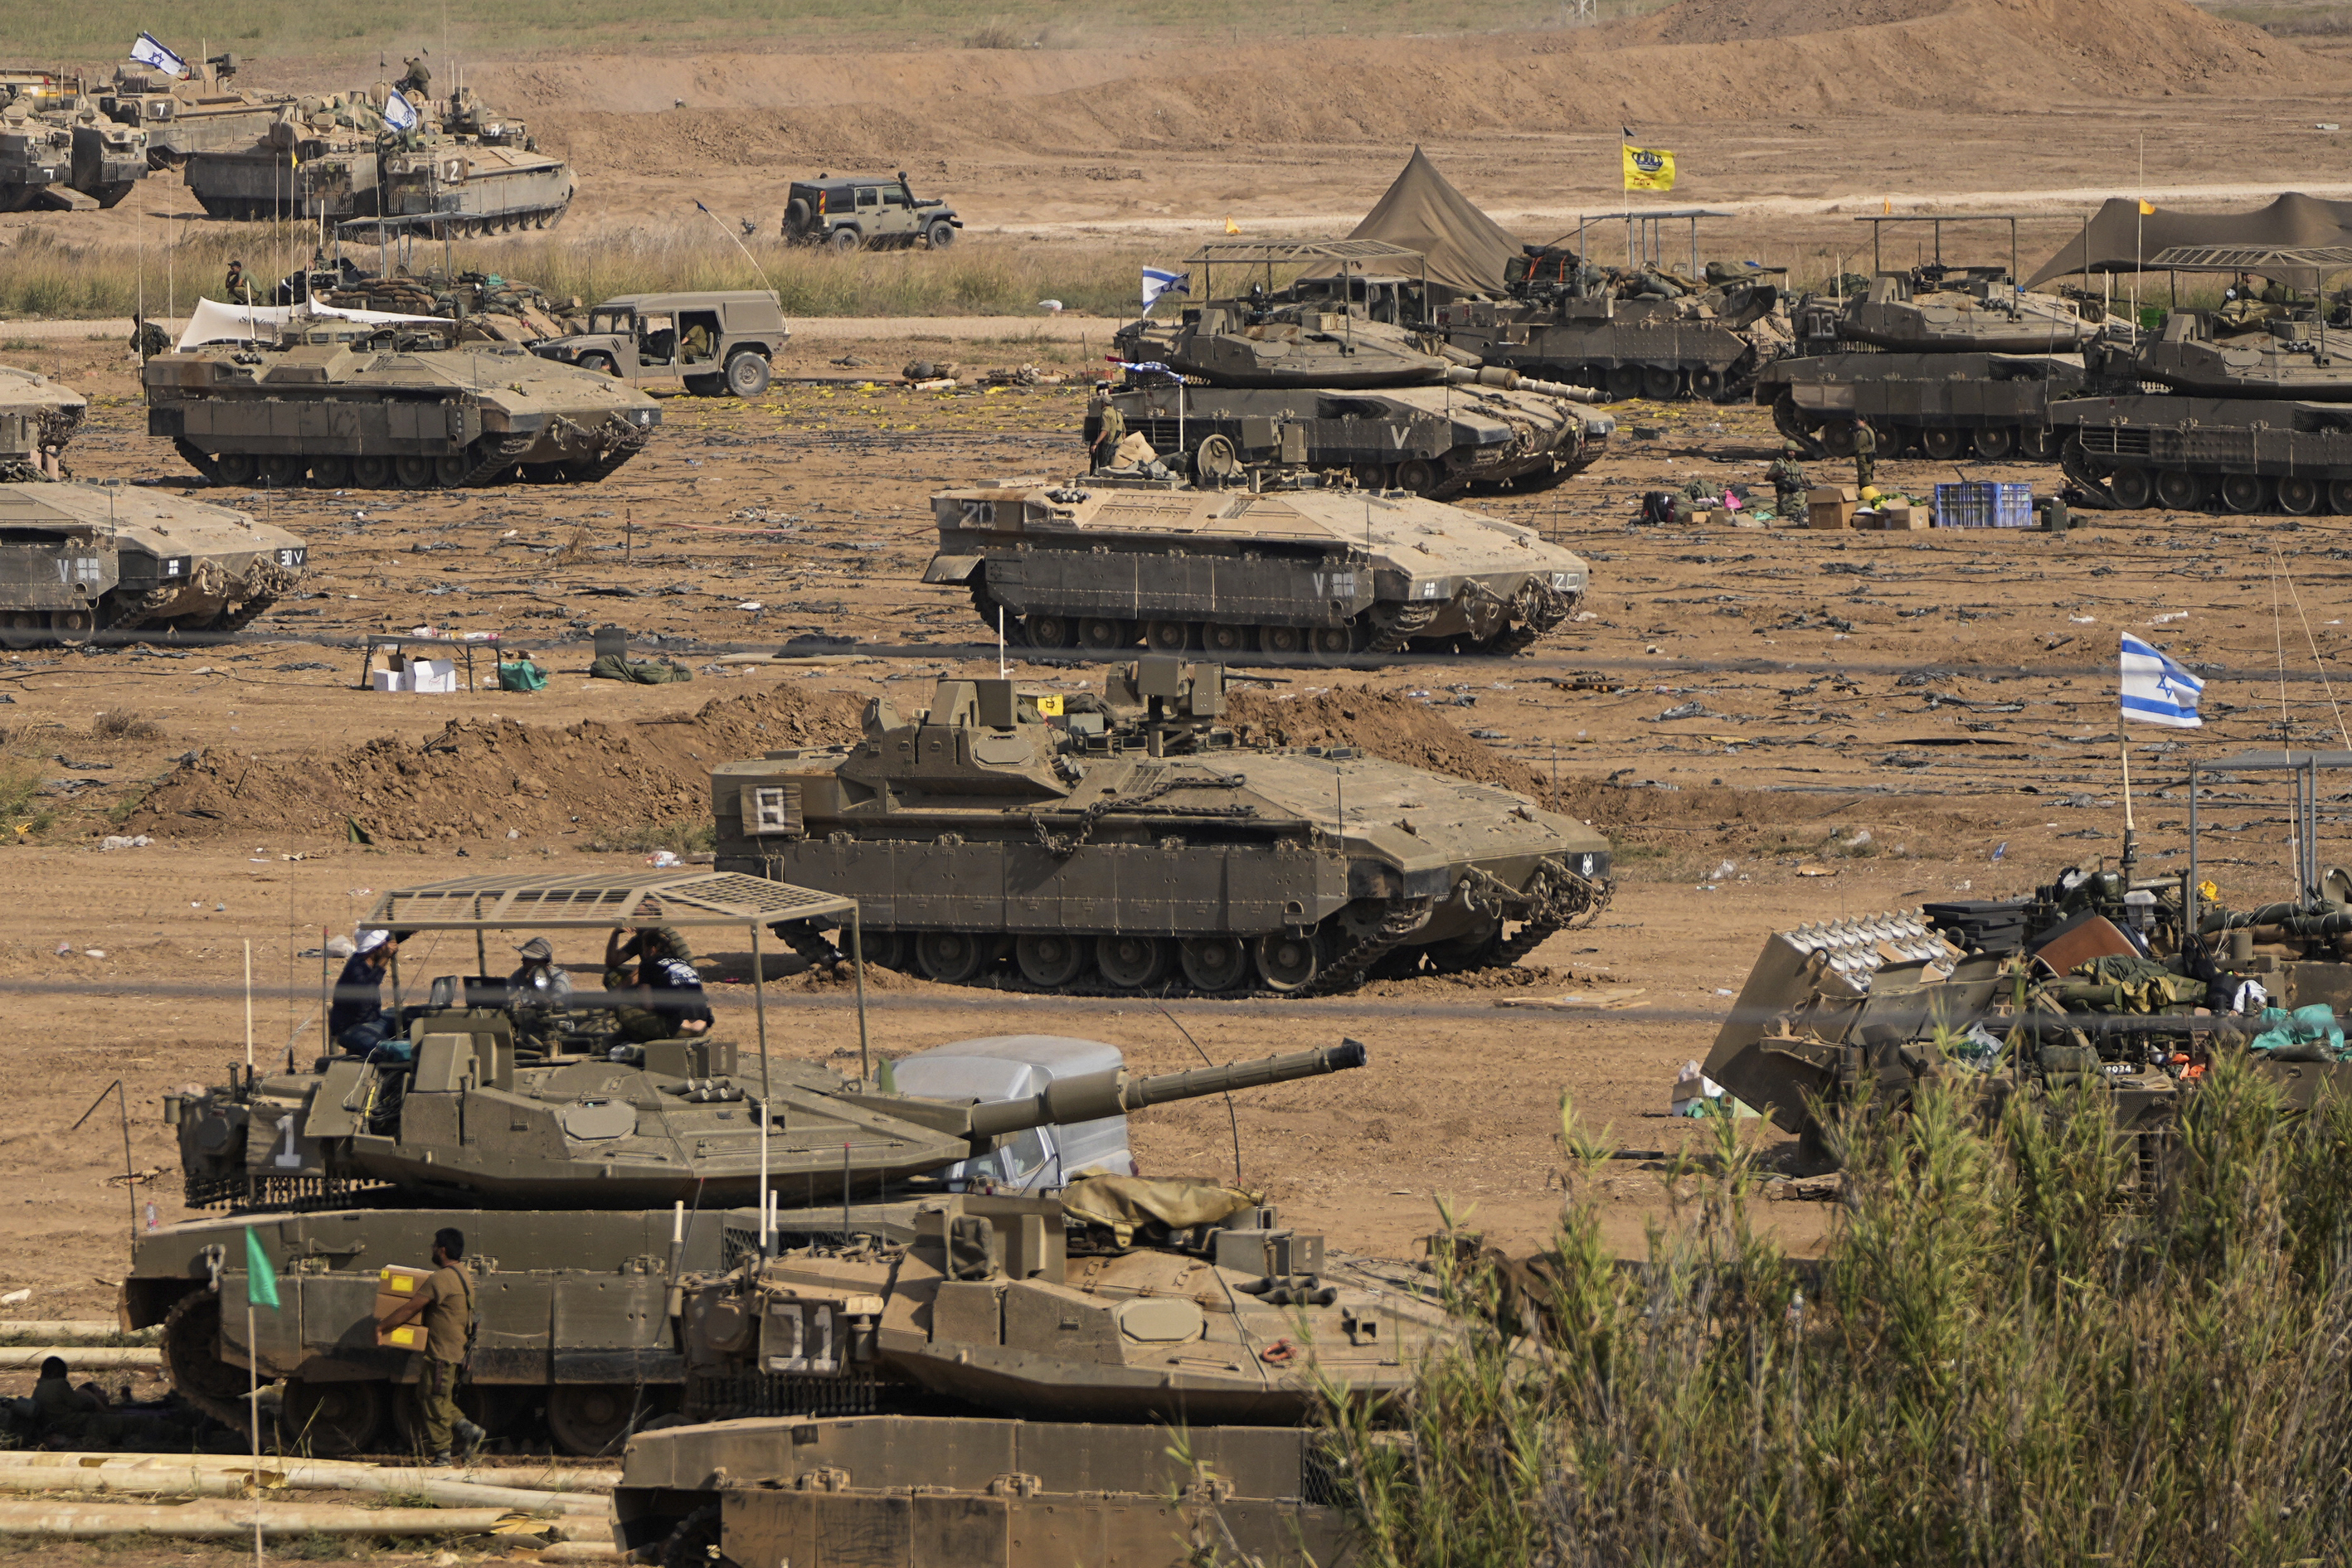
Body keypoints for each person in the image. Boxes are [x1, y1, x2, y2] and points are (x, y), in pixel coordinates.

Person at [377, 1228, 483, 1465]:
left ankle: (443, 1455)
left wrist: (382, 1327)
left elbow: (409, 1309)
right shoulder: (463, 1275)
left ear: (442, 1250)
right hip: (457, 1350)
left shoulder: (440, 1279)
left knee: (434, 1398)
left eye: (434, 1246)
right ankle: (469, 1430)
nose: (432, 1250)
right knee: (430, 1394)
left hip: (442, 1353)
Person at [605, 926, 712, 1042]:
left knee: (622, 1008)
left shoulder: (647, 965)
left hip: (678, 1028)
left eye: (644, 948)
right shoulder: (683, 962)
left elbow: (648, 1005)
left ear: (652, 949)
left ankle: (638, 1040)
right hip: (702, 1026)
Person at [329, 929, 409, 1060]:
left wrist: (407, 932)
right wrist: (384, 960)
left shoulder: (364, 958)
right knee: (383, 1050)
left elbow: (390, 941)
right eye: (385, 945)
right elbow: (367, 989)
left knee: (411, 1017)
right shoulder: (356, 971)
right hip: (352, 1028)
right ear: (374, 950)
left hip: (373, 1018)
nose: (388, 946)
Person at [507, 936, 573, 1012]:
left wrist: (539, 1004)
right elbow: (507, 991)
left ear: (540, 961)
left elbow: (560, 1003)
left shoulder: (559, 977)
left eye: (527, 958)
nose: (522, 960)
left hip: (556, 1022)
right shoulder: (521, 973)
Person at [1087, 383, 1125, 473]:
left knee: (1105, 466)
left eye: (1101, 403)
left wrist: (1096, 443)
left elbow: (1105, 430)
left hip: (1109, 444)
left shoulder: (1105, 414)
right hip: (1119, 443)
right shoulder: (1118, 413)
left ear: (1104, 403)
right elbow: (1124, 430)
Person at [1767, 445, 1810, 520]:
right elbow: (1767, 477)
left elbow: (1804, 478)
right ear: (1785, 451)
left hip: (1798, 492)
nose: (1792, 453)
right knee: (1787, 509)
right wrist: (1777, 473)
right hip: (1785, 493)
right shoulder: (1779, 462)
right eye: (1790, 451)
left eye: (1794, 451)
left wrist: (1808, 487)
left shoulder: (1795, 464)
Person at [1851, 417, 1878, 491]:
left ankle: (1866, 494)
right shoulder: (1869, 430)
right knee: (1867, 474)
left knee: (1864, 476)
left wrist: (1855, 435)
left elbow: (1856, 446)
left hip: (1863, 457)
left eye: (1858, 421)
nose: (1857, 423)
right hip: (1868, 456)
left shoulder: (1863, 433)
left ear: (1863, 421)